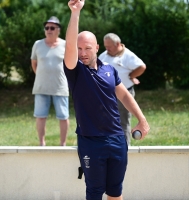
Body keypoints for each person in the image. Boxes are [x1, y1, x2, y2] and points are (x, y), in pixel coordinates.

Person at [64, 0, 150, 199]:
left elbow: (124, 95)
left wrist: (142, 119)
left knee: (115, 192)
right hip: (90, 142)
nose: (82, 53)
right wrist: (75, 13)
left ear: (96, 47)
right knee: (94, 192)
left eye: (87, 48)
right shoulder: (75, 71)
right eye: (79, 49)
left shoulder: (109, 70)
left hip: (117, 139)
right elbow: (69, 46)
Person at [99, 33, 146, 146]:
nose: (107, 49)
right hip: (106, 94)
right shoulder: (104, 56)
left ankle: (125, 147)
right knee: (106, 121)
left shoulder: (127, 55)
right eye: (105, 46)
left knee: (123, 122)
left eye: (109, 46)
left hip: (124, 93)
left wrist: (131, 76)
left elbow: (141, 67)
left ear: (118, 44)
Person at [30, 16, 69, 146]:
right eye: (47, 27)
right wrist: (42, 75)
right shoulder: (38, 44)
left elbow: (71, 64)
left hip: (60, 86)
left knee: (63, 117)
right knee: (40, 116)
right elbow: (34, 63)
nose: (49, 30)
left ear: (59, 30)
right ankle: (42, 143)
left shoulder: (65, 44)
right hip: (41, 87)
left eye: (52, 28)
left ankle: (63, 144)